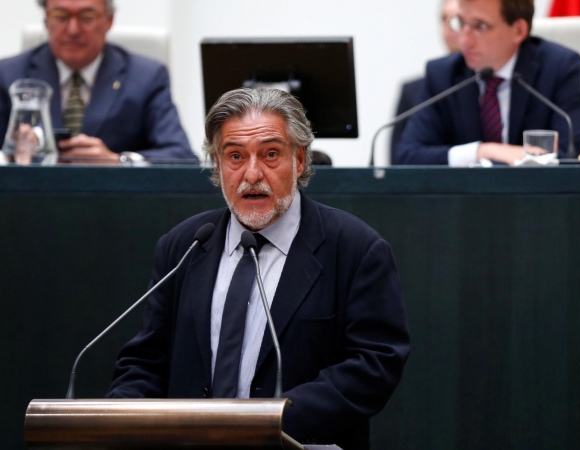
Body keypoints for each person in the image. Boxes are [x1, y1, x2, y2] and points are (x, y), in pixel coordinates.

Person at [106, 88, 411, 450]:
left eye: (270, 154)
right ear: (218, 166)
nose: (252, 174)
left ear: (299, 161)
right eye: (235, 156)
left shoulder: (355, 249)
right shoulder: (183, 245)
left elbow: (374, 365)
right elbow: (146, 361)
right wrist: (123, 418)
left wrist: (267, 423)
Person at [395, 0, 580, 165]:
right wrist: (484, 151)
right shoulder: (443, 74)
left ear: (519, 30)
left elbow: (567, 157)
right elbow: (407, 156)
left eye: (480, 26)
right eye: (461, 22)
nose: (464, 40)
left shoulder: (559, 68)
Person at [0, 0, 195, 163]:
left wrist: (119, 161)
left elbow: (182, 156)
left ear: (109, 20)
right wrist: (12, 154)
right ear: (46, 19)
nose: (73, 30)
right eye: (60, 16)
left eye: (86, 17)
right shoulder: (9, 74)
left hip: (114, 203)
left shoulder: (146, 77)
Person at [391, 0, 460, 163]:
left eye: (458, 20)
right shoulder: (413, 90)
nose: (450, 27)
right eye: (444, 19)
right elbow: (398, 160)